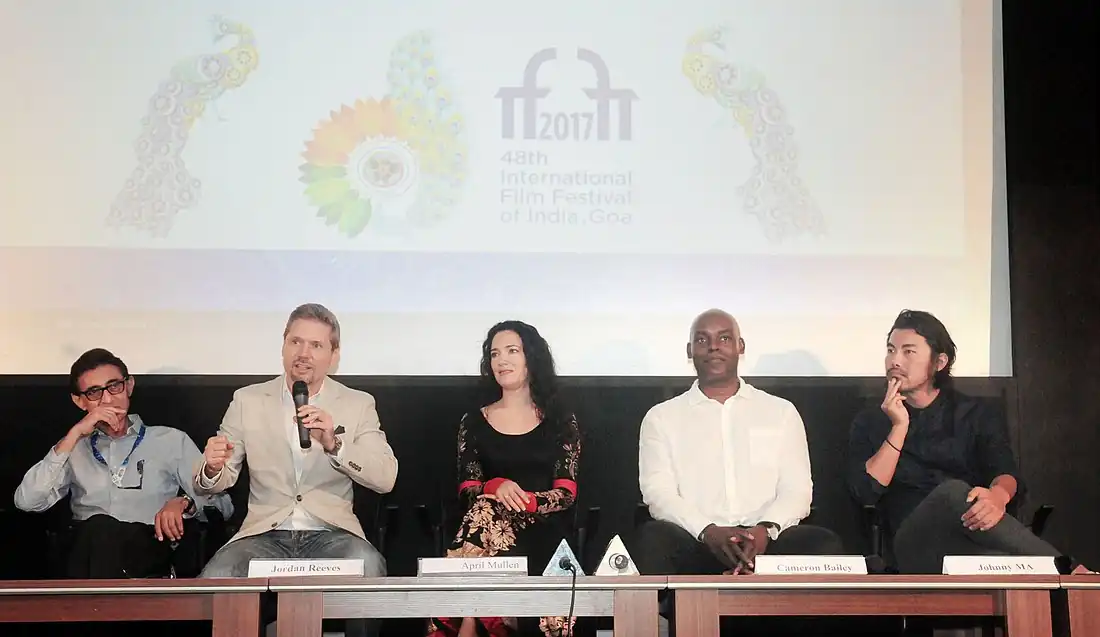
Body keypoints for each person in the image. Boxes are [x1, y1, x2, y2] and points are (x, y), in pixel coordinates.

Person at [194, 304, 397, 636]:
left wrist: (336, 446)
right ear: (284, 345)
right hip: (262, 535)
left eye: (316, 346)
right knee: (216, 576)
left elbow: (386, 477)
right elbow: (218, 479)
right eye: (295, 342)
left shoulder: (358, 403)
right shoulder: (247, 400)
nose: (303, 354)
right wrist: (212, 467)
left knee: (370, 568)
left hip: (332, 535)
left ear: (334, 355)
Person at [848, 309, 1086, 574]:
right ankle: (1071, 572)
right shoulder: (871, 419)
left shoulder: (973, 414)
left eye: (908, 352)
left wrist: (996, 497)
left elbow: (1006, 474)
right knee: (952, 493)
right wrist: (899, 426)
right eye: (891, 350)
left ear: (939, 362)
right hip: (911, 545)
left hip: (969, 537)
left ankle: (1062, 582)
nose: (895, 360)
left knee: (999, 560)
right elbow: (866, 491)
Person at [633, 309, 844, 576]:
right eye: (702, 340)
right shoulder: (661, 418)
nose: (713, 347)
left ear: (740, 346)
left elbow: (797, 489)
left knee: (823, 545)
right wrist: (709, 532)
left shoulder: (780, 412)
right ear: (689, 351)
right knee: (653, 539)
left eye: (723, 338)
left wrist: (763, 532)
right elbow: (659, 493)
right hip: (698, 542)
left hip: (766, 542)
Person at [14, 348, 233, 579]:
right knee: (97, 529)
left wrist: (184, 502)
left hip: (148, 548)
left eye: (114, 386)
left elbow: (223, 505)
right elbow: (27, 501)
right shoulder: (73, 448)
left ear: (129, 386)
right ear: (79, 402)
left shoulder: (170, 440)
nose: (107, 399)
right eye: (94, 392)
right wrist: (74, 435)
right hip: (86, 552)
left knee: (104, 532)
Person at [428, 321, 581, 637]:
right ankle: (491, 620)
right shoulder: (473, 421)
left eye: (512, 351)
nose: (502, 360)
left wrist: (523, 500)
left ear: (531, 358)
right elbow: (468, 489)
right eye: (495, 353)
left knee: (485, 511)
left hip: (543, 529)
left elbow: (566, 494)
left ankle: (466, 621)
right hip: (485, 525)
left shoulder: (560, 420)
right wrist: (494, 487)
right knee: (485, 507)